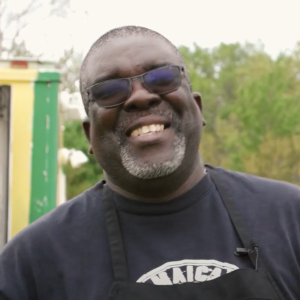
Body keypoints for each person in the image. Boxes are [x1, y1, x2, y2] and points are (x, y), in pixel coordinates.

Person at [0, 26, 299, 300]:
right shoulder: (32, 262)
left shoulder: (290, 218)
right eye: (109, 90)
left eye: (162, 78)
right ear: (90, 134)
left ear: (197, 108)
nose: (140, 97)